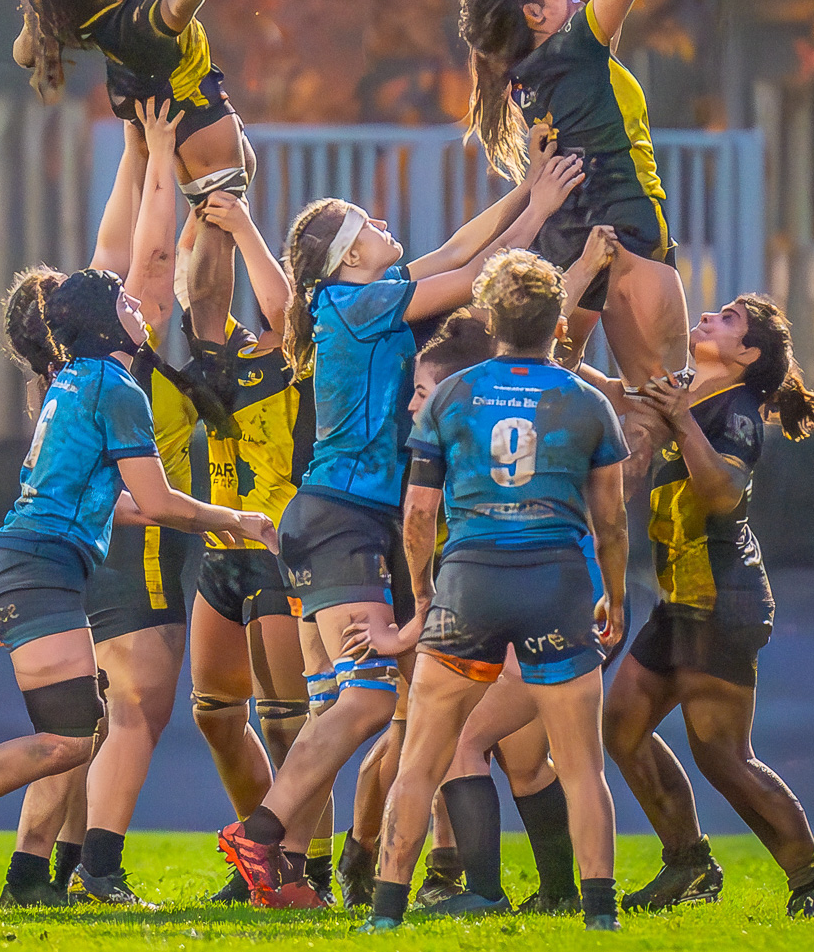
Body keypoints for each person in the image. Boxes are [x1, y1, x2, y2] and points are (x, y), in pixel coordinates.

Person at [217, 140, 584, 909]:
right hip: (345, 517)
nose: (384, 223)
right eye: (367, 223)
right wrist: (540, 210)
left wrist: (523, 194)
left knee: (347, 703)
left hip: (337, 518)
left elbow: (454, 250)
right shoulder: (358, 302)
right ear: (348, 256)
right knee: (370, 701)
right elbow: (475, 277)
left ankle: (282, 870)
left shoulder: (356, 297)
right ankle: (263, 831)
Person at [0, 269, 278, 902]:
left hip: (30, 565)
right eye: (124, 300)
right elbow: (154, 498)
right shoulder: (116, 387)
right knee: (67, 738)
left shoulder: (72, 382)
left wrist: (206, 519)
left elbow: (116, 503)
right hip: (37, 569)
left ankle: (30, 881)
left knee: (81, 725)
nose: (137, 306)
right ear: (102, 323)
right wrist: (234, 519)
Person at [342, 249, 629, 933]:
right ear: (559, 324)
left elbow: (418, 514)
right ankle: (599, 916)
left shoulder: (451, 394)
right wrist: (614, 596)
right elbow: (612, 520)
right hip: (556, 581)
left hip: (470, 579)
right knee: (582, 763)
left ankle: (385, 912)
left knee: (424, 755)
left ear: (493, 319)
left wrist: (423, 592)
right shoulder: (587, 400)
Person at [0, 99, 211, 908]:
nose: (102, 280)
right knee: (134, 713)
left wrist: (132, 148)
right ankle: (96, 872)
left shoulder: (67, 370)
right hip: (127, 545)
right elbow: (147, 252)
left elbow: (116, 247)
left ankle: (44, 867)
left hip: (81, 547)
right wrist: (157, 154)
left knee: (86, 723)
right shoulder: (111, 357)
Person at [599, 295, 814, 919]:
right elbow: (612, 389)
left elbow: (722, 494)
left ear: (748, 355)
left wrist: (681, 423)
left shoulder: (734, 411)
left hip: (722, 598)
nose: (710, 316)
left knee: (722, 756)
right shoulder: (685, 390)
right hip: (680, 600)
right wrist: (546, 353)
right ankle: (688, 863)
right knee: (621, 725)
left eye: (730, 318)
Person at [456, 0, 686, 478]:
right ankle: (653, 568)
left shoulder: (538, 76)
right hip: (630, 230)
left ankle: (549, 542)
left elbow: (606, 44)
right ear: (534, 16)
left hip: (571, 244)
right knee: (662, 412)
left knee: (548, 398)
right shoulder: (570, 52)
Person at [13, 0, 251, 359]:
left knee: (218, 207)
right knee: (220, 219)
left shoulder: (86, 7)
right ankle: (213, 352)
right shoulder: (134, 22)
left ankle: (205, 330)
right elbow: (172, 16)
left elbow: (26, 54)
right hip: (187, 110)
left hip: (167, 101)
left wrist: (36, 15)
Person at [181, 194, 324, 904]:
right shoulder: (226, 350)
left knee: (290, 718)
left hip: (281, 542)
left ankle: (311, 866)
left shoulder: (312, 349)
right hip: (221, 548)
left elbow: (288, 316)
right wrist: (206, 208)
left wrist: (242, 223)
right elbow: (203, 291)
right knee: (213, 712)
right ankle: (260, 853)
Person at [335, 309, 493, 910]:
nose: (409, 406)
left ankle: (438, 873)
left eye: (421, 392)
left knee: (449, 739)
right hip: (431, 589)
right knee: (415, 735)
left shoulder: (487, 427)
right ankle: (367, 860)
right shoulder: (434, 442)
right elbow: (418, 523)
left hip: (465, 594)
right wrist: (416, 615)